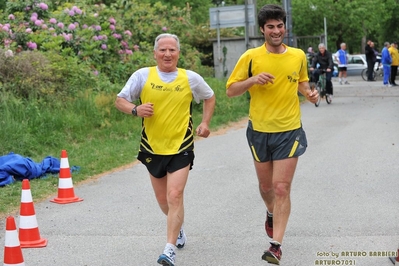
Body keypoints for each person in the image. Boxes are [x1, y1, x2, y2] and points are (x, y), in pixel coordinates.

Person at [226, 4, 318, 265]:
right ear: (262, 30)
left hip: (289, 130)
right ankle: (270, 213)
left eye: (279, 26)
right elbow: (231, 90)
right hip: (259, 131)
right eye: (270, 27)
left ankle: (275, 246)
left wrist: (310, 94)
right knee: (266, 187)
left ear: (284, 27)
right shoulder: (251, 57)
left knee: (281, 187)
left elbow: (300, 81)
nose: (276, 31)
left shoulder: (298, 55)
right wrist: (252, 80)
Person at [115, 33, 216, 266]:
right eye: (163, 50)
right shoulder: (142, 75)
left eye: (172, 50)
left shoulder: (190, 78)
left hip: (181, 146)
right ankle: (178, 228)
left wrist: (205, 123)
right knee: (163, 200)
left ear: (178, 53)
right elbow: (120, 100)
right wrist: (135, 109)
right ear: (155, 53)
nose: (167, 54)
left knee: (174, 195)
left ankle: (169, 248)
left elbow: (209, 97)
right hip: (152, 147)